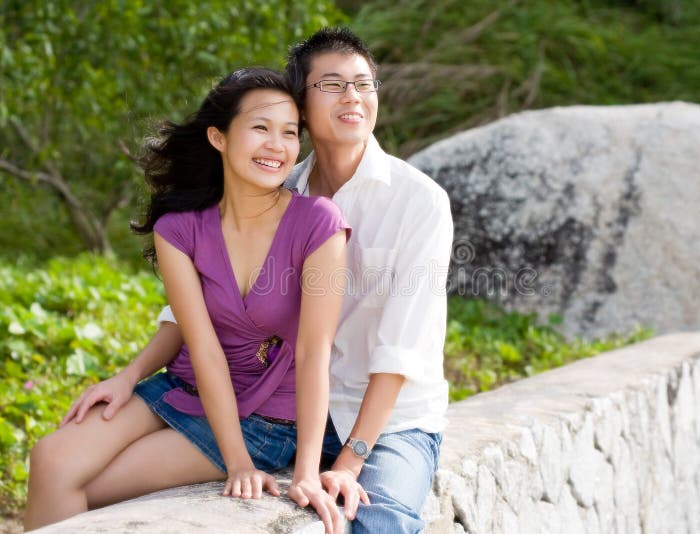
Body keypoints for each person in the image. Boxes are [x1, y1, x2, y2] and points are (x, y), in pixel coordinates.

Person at [61, 27, 453, 533]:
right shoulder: (274, 183)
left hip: (387, 422)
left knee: (375, 520)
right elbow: (196, 307)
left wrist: (351, 461)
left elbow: (403, 348)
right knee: (95, 490)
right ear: (303, 110)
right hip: (279, 408)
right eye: (332, 85)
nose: (353, 95)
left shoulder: (418, 201)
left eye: (364, 83)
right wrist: (129, 375)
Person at [23, 67, 351, 534]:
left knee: (92, 488)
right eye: (260, 128)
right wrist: (131, 376)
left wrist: (297, 472)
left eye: (290, 132)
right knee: (50, 459)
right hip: (183, 388)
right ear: (218, 137)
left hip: (266, 419)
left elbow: (314, 353)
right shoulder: (178, 229)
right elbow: (201, 346)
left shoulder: (318, 222)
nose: (277, 146)